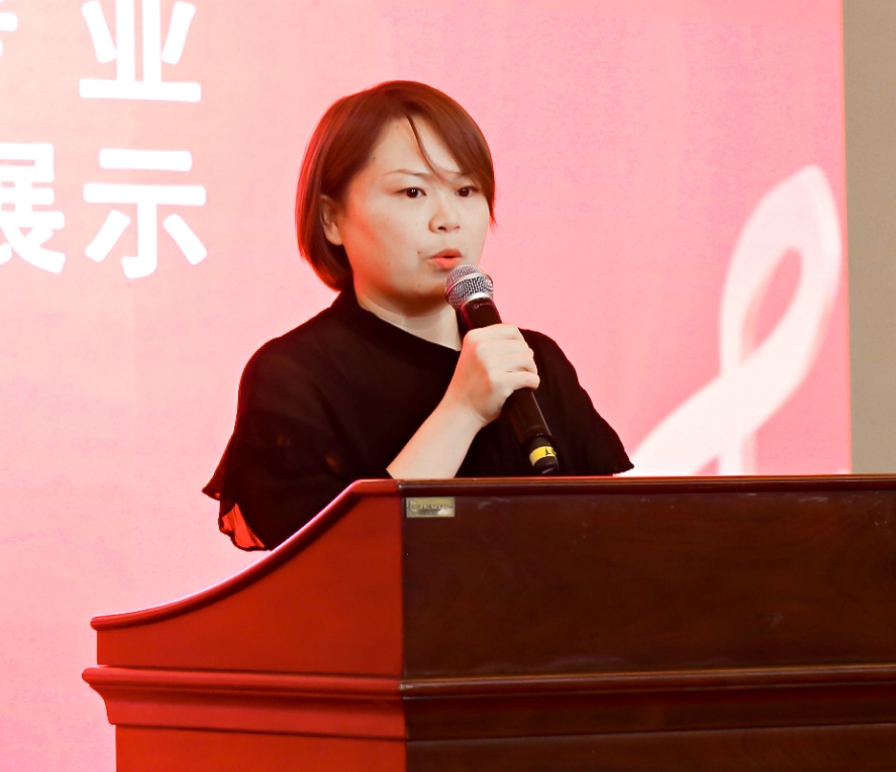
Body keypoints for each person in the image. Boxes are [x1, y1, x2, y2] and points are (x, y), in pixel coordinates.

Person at [207, 79, 631, 554]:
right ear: (331, 219)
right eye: (412, 192)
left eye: (466, 189)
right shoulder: (294, 377)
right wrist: (463, 410)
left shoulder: (531, 360)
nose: (448, 219)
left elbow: (613, 538)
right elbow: (333, 562)